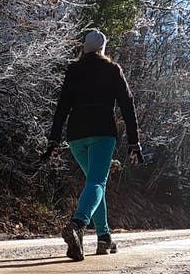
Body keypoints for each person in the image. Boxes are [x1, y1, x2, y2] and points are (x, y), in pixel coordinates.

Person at [43, 29, 144, 261]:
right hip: (102, 133)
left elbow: (61, 108)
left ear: (84, 48)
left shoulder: (73, 70)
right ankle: (77, 224)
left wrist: (53, 140)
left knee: (94, 184)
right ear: (103, 48)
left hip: (76, 135)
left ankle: (104, 237)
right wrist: (133, 142)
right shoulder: (112, 69)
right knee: (97, 182)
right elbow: (128, 106)